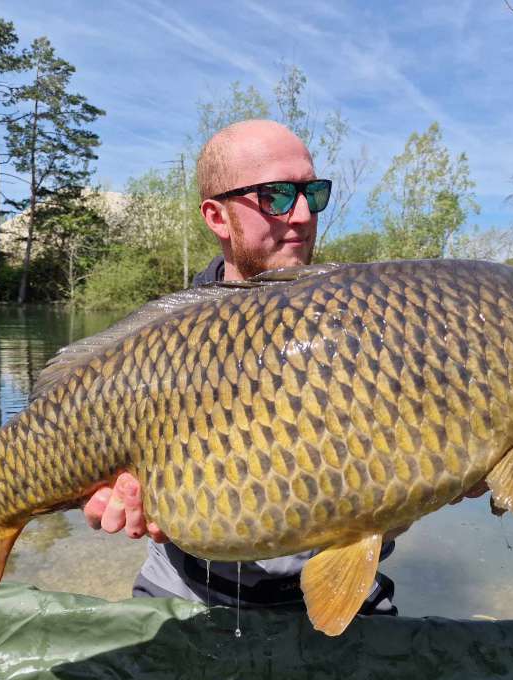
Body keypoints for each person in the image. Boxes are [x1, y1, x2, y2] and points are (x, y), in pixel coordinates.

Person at [82, 119, 401, 615]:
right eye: (275, 196)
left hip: (346, 584)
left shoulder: (363, 325)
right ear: (216, 216)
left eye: (311, 193)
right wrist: (110, 492)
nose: (300, 215)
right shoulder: (157, 346)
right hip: (189, 589)